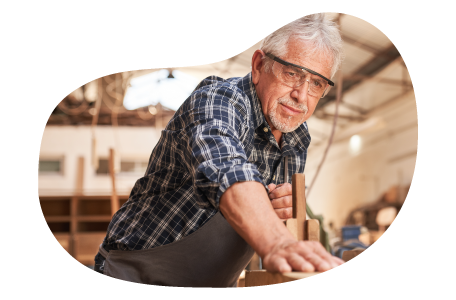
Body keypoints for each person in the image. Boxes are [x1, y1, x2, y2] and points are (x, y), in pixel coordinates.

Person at [94, 12, 345, 287]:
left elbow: (270, 226)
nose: (301, 95)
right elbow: (225, 168)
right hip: (137, 273)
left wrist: (284, 218)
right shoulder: (218, 100)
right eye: (292, 73)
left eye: (316, 83)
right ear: (259, 65)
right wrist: (277, 243)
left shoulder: (296, 137)